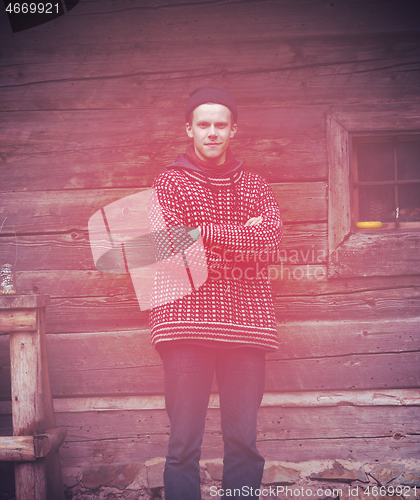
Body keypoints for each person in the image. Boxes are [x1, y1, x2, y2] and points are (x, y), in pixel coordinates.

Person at [149, 86, 282, 500]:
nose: (212, 132)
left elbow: (271, 243)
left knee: (243, 442)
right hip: (184, 323)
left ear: (233, 129)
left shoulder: (256, 184)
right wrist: (241, 236)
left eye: (220, 124)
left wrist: (201, 234)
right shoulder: (168, 183)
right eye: (203, 124)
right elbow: (166, 249)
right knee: (183, 445)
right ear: (189, 128)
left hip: (247, 324)